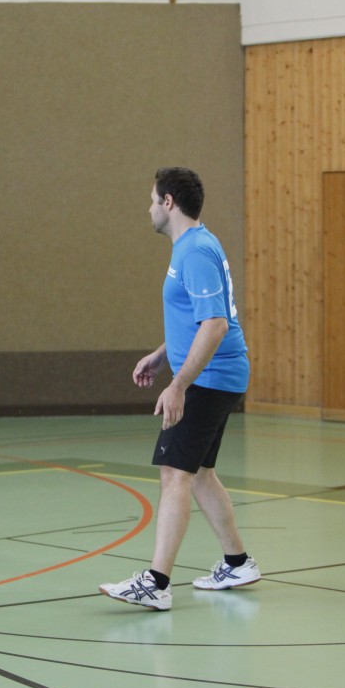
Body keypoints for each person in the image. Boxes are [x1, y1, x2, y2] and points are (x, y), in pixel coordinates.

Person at [99, 167, 260, 611]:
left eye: (153, 199)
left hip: (210, 378)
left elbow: (215, 324)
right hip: (216, 375)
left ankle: (156, 582)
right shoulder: (193, 246)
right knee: (200, 473)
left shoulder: (195, 251)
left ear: (169, 203)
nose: (148, 208)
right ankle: (238, 562)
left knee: (174, 473)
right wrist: (161, 355)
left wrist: (179, 384)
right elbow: (195, 319)